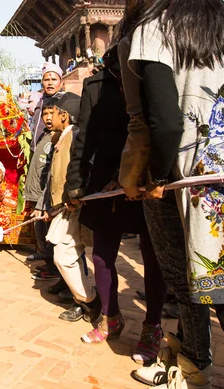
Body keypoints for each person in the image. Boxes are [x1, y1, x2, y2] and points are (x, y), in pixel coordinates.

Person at [121, 1, 224, 389]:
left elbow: (165, 120)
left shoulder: (154, 26)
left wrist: (155, 177)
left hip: (211, 182)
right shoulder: (221, 20)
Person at [65, 46, 166, 364]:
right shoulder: (95, 85)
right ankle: (111, 318)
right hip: (106, 185)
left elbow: (162, 130)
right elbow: (85, 139)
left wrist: (153, 176)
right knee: (101, 255)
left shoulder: (155, 75)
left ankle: (153, 328)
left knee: (153, 257)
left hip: (150, 182)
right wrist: (74, 183)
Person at [36, 93, 101, 323]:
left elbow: (79, 170)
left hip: (72, 207)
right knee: (64, 255)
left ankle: (89, 302)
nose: (49, 117)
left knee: (67, 256)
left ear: (64, 115)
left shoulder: (73, 136)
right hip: (61, 207)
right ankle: (85, 300)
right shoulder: (62, 137)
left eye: (53, 113)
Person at [25, 96, 63, 282]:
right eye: (45, 114)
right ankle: (49, 263)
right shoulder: (43, 136)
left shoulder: (58, 139)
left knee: (50, 234)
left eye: (51, 113)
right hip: (37, 194)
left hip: (46, 196)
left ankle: (53, 268)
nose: (48, 118)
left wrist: (43, 199)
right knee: (41, 231)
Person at [31, 62, 64, 151]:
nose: (50, 83)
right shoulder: (40, 101)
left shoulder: (66, 102)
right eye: (46, 80)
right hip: (36, 149)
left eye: (54, 79)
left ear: (61, 83)